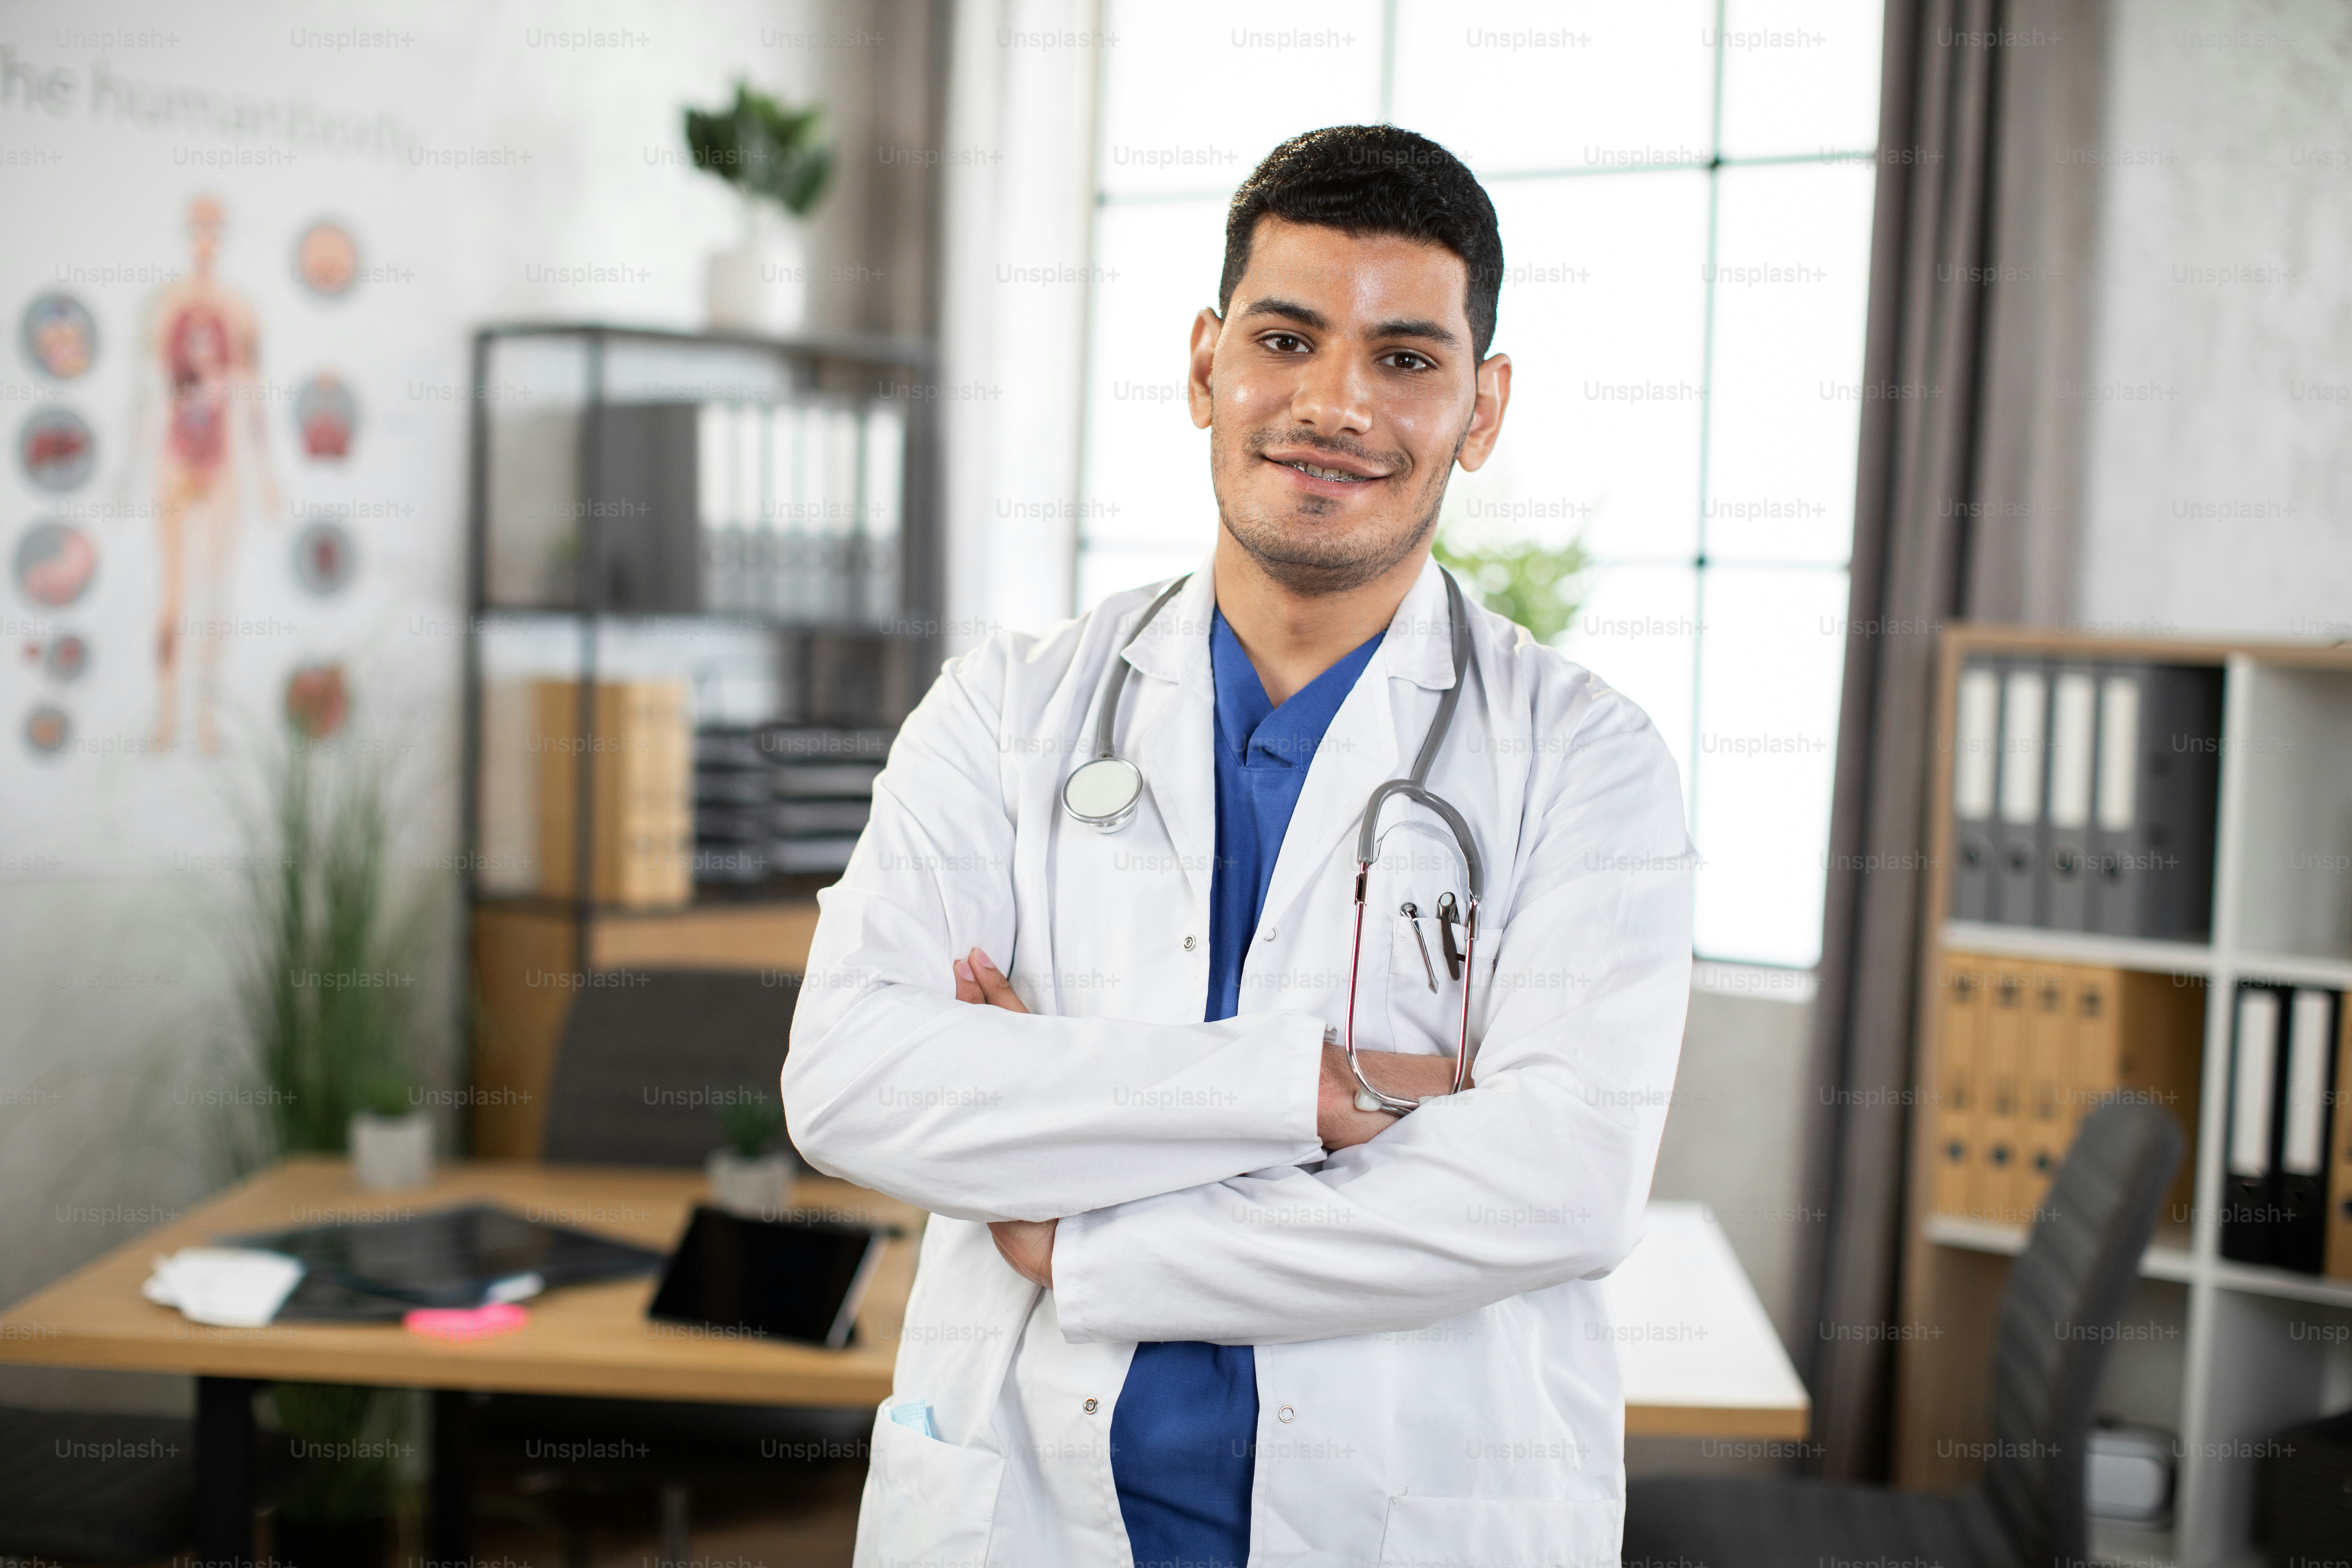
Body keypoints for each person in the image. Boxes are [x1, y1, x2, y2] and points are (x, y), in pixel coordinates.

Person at [783, 124, 1692, 1568]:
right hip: (1021, 1509)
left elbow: (1559, 1185)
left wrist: (1088, 1237)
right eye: (1287, 338)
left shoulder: (1588, 760)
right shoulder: (1005, 709)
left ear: (1484, 405)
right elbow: (848, 1081)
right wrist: (1294, 1090)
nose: (1337, 403)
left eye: (1406, 358)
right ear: (1207, 363)